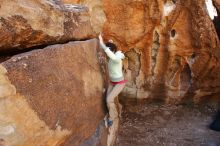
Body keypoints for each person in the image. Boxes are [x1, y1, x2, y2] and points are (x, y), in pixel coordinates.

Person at [98, 34, 126, 127]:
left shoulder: (117, 59)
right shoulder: (113, 56)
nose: (107, 54)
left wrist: (102, 43)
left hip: (119, 84)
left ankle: (112, 117)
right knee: (107, 100)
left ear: (112, 51)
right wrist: (110, 43)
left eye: (108, 52)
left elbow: (113, 56)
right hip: (112, 83)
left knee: (109, 99)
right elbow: (111, 52)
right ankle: (111, 112)